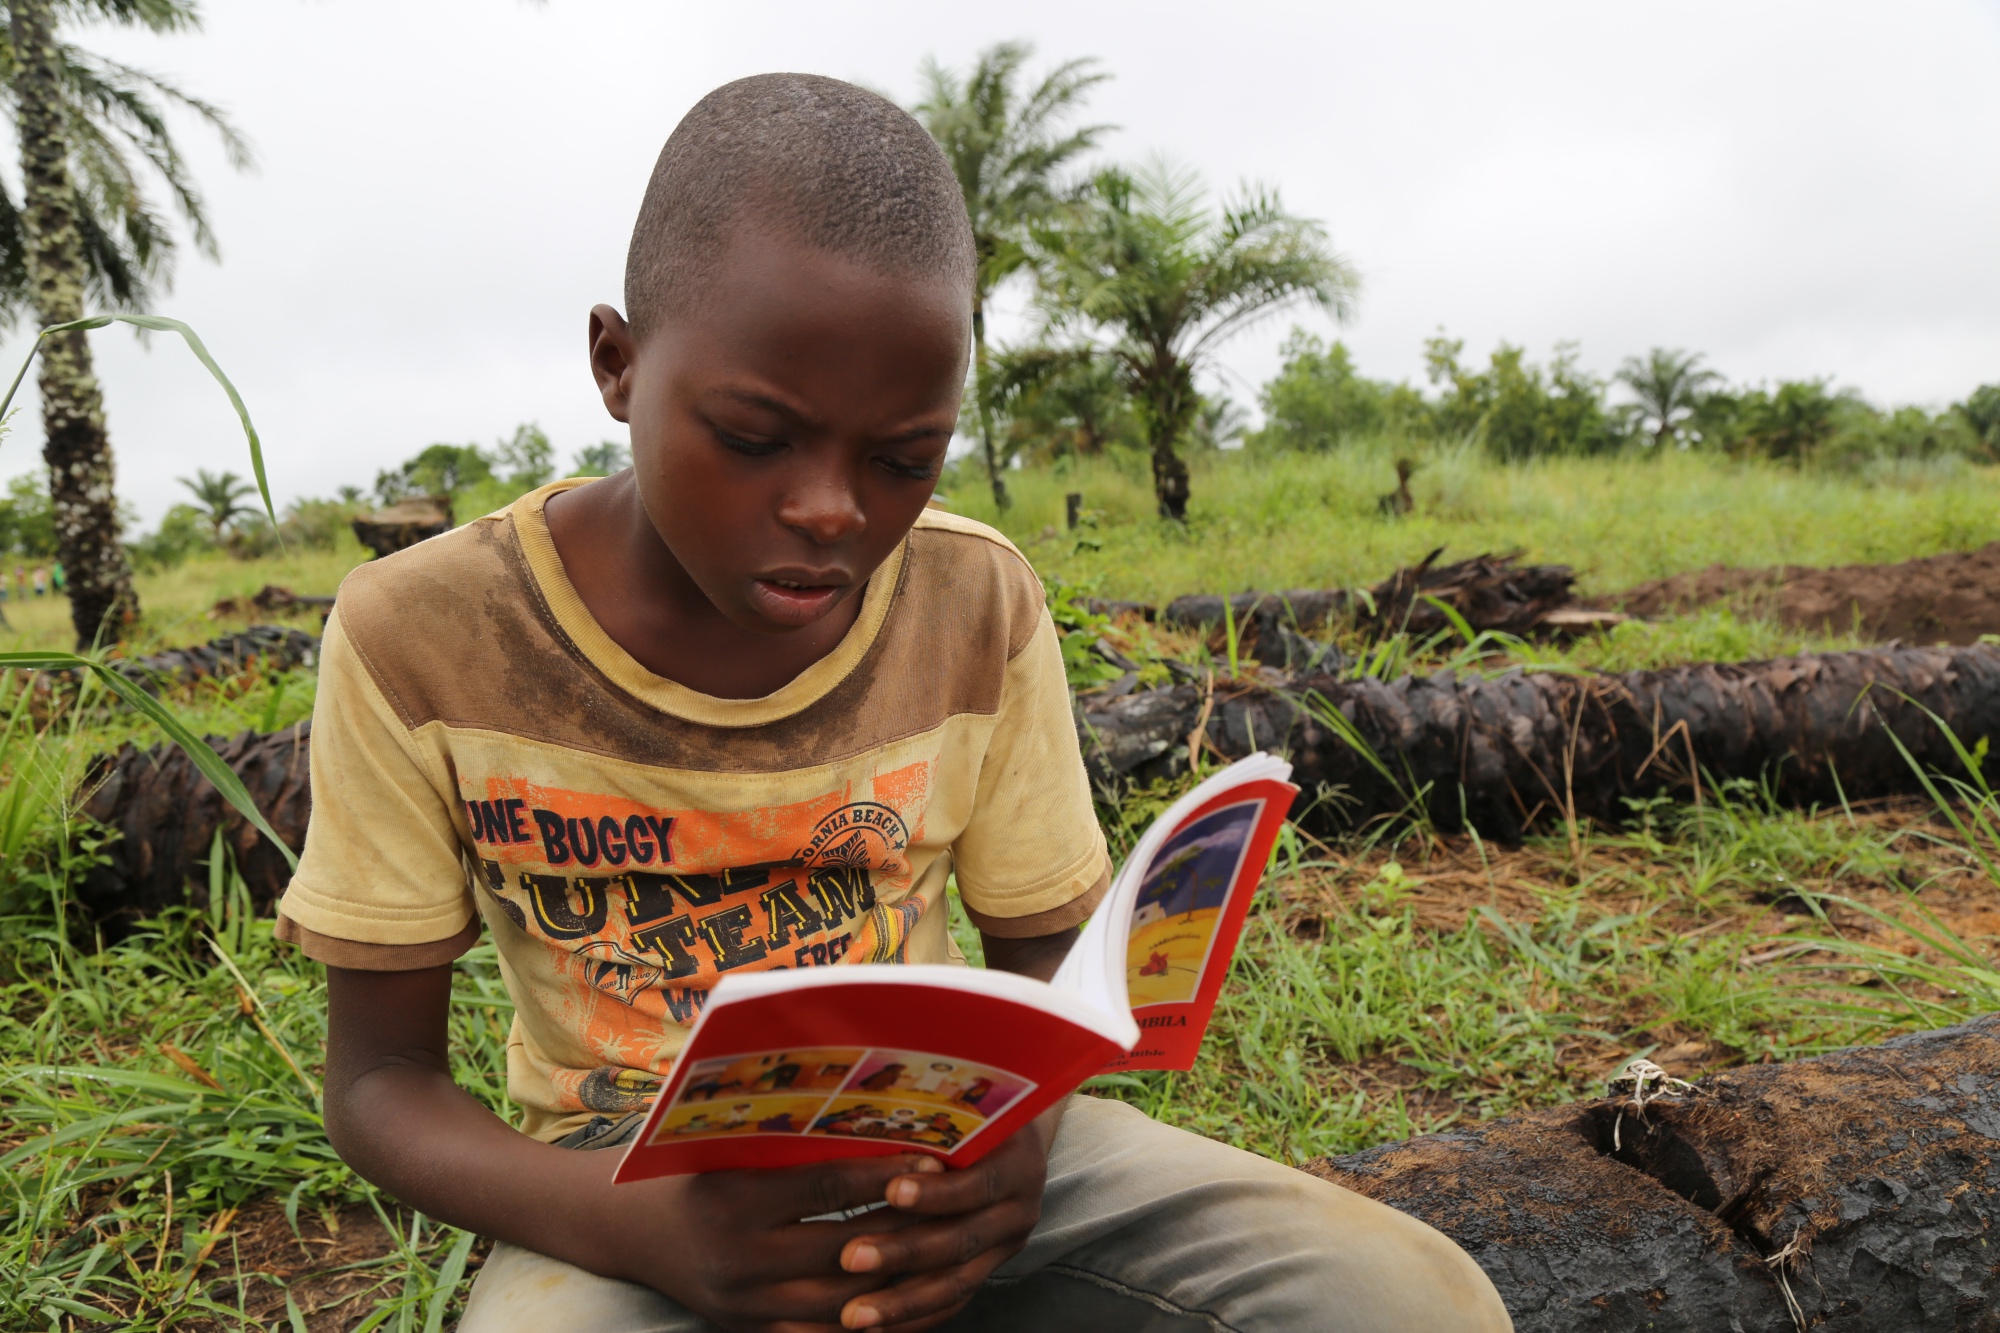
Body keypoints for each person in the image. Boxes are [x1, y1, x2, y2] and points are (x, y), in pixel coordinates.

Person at [281, 73, 1512, 1333]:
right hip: (621, 1190)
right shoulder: (422, 636)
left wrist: (1012, 1163)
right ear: (618, 362)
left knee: (1410, 1301)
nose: (831, 509)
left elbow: (1051, 965)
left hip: (939, 1149)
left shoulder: (971, 604)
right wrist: (639, 1231)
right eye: (756, 438)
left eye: (902, 460)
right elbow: (378, 1082)